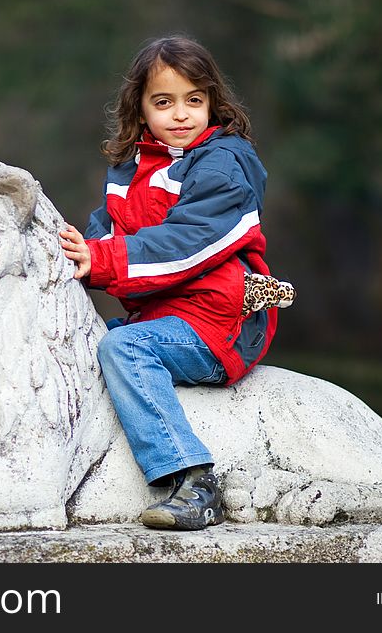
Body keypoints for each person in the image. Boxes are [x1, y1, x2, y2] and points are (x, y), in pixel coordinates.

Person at [59, 35, 294, 531]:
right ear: (140, 110)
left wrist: (100, 259)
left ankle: (193, 478)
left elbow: (187, 244)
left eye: (194, 100)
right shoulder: (131, 168)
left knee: (125, 349)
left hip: (217, 322)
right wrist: (64, 251)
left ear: (213, 103)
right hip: (164, 315)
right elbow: (105, 228)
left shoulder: (225, 166)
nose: (181, 114)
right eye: (163, 102)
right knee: (87, 344)